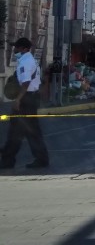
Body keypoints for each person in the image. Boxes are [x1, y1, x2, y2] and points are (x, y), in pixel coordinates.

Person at [1, 38, 49, 170]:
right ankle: (41, 158)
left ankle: (7, 160)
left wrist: (18, 100)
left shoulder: (26, 62)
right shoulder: (30, 60)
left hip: (26, 100)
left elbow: (26, 82)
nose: (14, 50)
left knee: (16, 131)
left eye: (16, 47)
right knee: (31, 131)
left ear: (23, 49)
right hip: (31, 99)